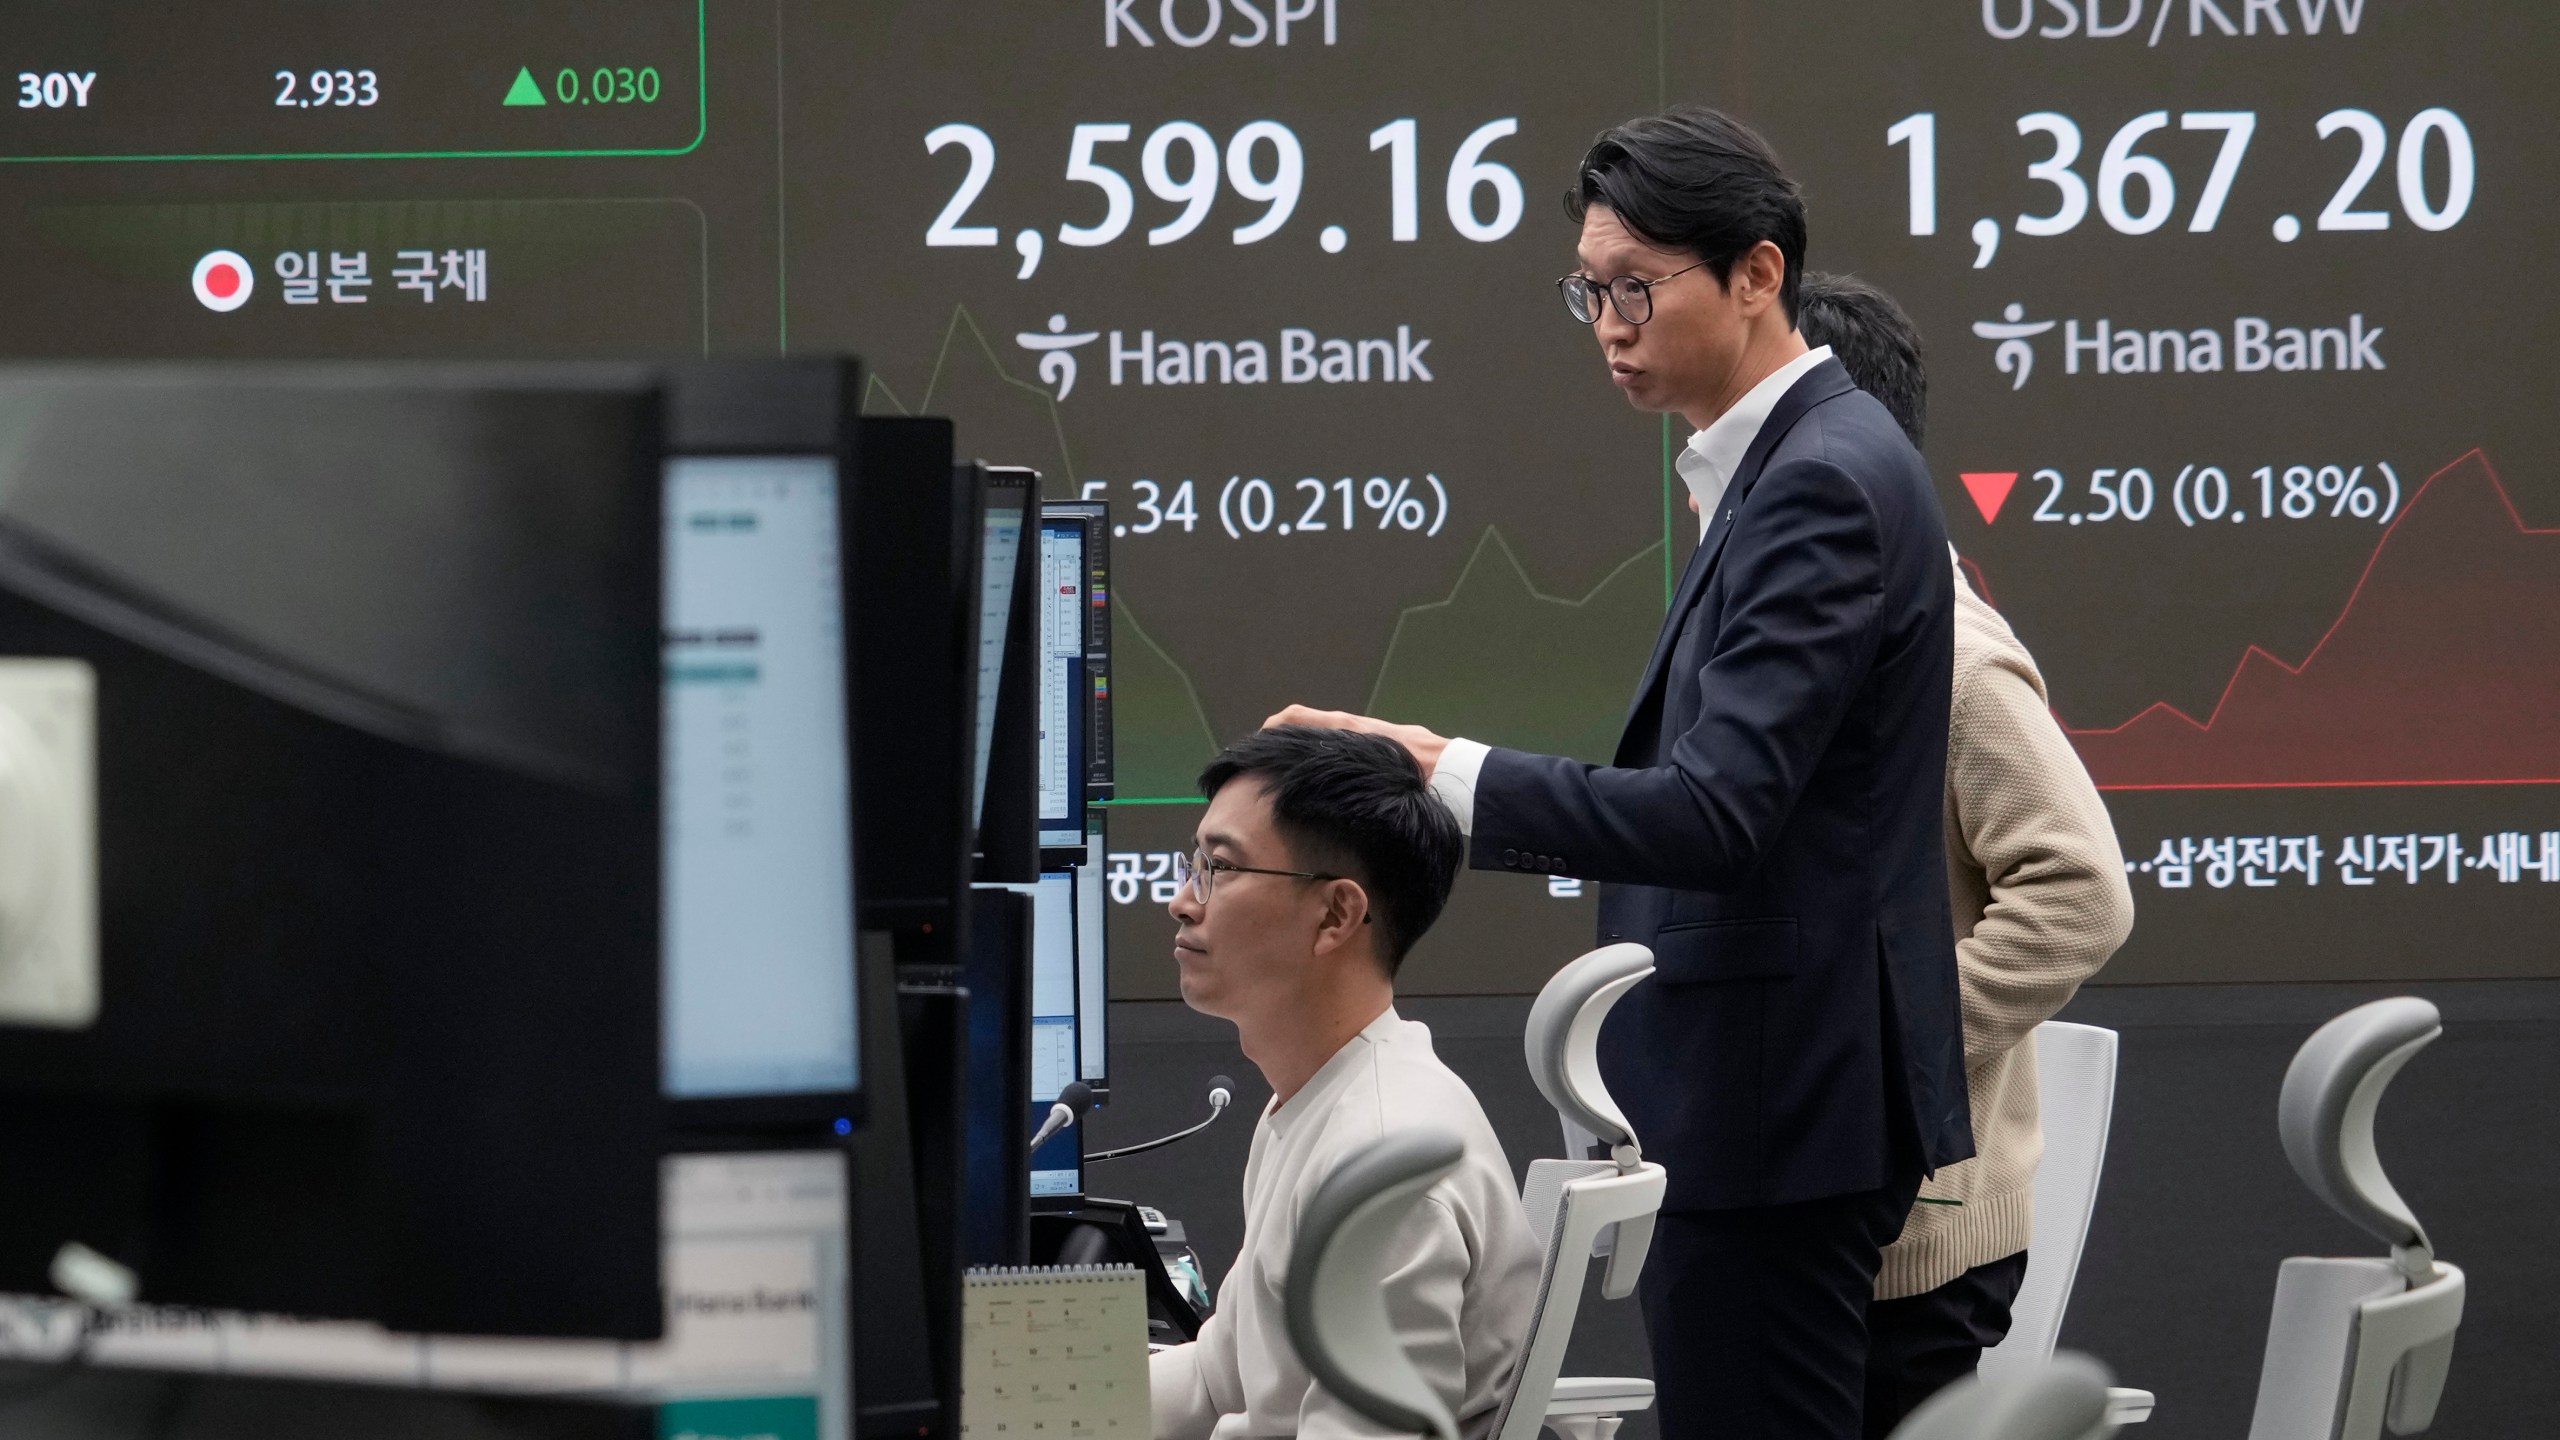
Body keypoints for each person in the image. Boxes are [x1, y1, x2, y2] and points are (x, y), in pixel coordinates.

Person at [1270, 107, 1970, 1440]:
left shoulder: (1819, 479)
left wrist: (1437, 772)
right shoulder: (1787, 467)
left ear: (1758, 276)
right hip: (1770, 1101)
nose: (1608, 322)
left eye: (1637, 286)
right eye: (1589, 290)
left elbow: (1717, 814)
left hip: (1772, 1109)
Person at [1794, 270, 2136, 1436]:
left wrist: (1893, 1050)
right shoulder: (1813, 637)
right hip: (1826, 1209)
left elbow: (2081, 893)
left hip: (1915, 1242)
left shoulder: (1949, 657)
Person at [1148, 726, 1541, 1440]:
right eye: (1192, 863)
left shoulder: (1383, 1159)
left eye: (1219, 868)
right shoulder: (1314, 1100)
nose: (1182, 900)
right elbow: (1216, 1378)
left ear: (1335, 915)